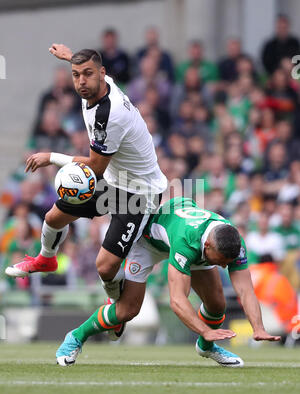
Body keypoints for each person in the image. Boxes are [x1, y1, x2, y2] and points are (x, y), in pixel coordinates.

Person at [5, 45, 167, 339]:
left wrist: (51, 157)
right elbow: (86, 65)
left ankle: (115, 305)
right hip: (117, 179)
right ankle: (47, 258)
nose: (81, 81)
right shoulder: (96, 87)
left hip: (139, 194)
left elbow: (95, 167)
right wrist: (71, 57)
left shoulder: (110, 114)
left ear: (102, 75)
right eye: (76, 75)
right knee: (54, 216)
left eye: (88, 74)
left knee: (104, 267)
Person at [55, 197, 280, 367]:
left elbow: (246, 290)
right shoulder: (187, 243)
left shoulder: (233, 242)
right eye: (220, 262)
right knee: (127, 310)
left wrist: (258, 328)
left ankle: (206, 348)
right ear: (209, 247)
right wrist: (205, 330)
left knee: (217, 305)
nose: (223, 267)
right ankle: (76, 336)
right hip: (149, 242)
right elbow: (177, 300)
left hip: (183, 225)